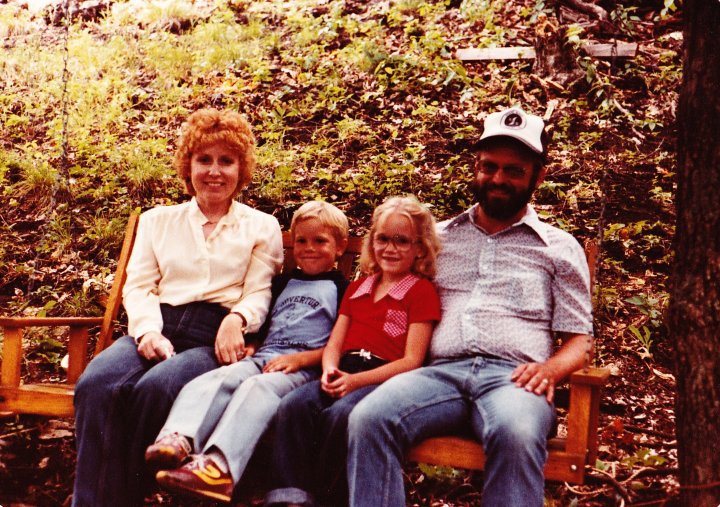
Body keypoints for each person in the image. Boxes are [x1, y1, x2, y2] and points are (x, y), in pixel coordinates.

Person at [345, 107, 594, 507]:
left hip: (513, 382)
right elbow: (385, 289)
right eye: (489, 167)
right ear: (475, 168)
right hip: (437, 375)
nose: (498, 178)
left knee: (515, 432)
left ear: (538, 176)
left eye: (513, 170)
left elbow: (580, 341)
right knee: (369, 419)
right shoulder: (437, 238)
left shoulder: (559, 248)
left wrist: (549, 371)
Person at [72, 109, 284, 507]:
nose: (215, 171)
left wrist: (237, 319)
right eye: (204, 159)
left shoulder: (261, 226)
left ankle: (125, 496)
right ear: (189, 165)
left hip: (214, 336)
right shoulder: (158, 221)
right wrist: (149, 331)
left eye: (226, 160)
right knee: (96, 384)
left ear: (242, 168)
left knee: (158, 387)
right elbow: (139, 287)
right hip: (158, 322)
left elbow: (259, 292)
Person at [144, 200, 350, 503]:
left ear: (341, 247)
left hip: (304, 367)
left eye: (320, 241)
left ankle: (219, 467)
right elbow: (265, 324)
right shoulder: (283, 283)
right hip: (264, 355)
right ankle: (178, 438)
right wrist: (251, 345)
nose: (309, 248)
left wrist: (302, 360)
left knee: (257, 388)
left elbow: (344, 343)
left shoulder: (344, 289)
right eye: (302, 241)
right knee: (216, 379)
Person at [265, 195, 443, 507]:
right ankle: (289, 493)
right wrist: (331, 368)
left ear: (420, 247)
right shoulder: (360, 287)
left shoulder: (420, 291)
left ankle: (327, 497)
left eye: (401, 241)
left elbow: (412, 361)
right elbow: (336, 339)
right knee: (295, 406)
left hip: (382, 378)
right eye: (383, 239)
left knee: (341, 416)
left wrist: (357, 382)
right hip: (342, 369)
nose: (390, 248)